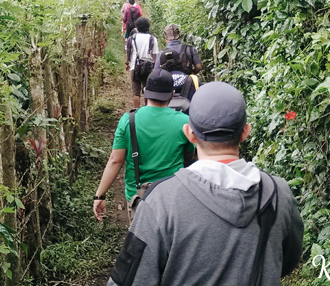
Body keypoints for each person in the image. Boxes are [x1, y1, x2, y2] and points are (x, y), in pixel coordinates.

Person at [106, 82, 304, 286]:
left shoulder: (161, 201)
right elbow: (286, 260)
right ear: (245, 132)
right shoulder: (279, 193)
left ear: (190, 133)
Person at [93, 68, 195, 222]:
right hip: (172, 196)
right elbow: (190, 158)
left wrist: (100, 195)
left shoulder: (128, 120)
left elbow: (115, 160)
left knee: (141, 242)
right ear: (172, 95)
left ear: (145, 91)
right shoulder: (184, 122)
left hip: (138, 198)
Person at [126, 17, 158, 108]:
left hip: (135, 66)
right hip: (148, 67)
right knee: (147, 90)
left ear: (137, 27)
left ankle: (136, 110)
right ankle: (147, 109)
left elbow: (129, 52)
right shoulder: (152, 39)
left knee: (136, 91)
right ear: (148, 27)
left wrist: (127, 63)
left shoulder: (132, 38)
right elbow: (154, 55)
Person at [159, 49, 200, 114]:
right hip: (188, 120)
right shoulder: (193, 80)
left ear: (161, 64)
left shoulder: (157, 81)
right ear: (180, 62)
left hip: (163, 120)